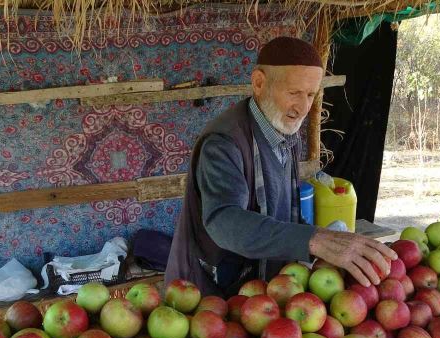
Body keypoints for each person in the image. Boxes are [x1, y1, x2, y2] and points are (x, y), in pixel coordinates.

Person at [166, 36, 396, 296]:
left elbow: (282, 207)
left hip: (263, 295)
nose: (303, 107)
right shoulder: (223, 142)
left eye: (310, 94)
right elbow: (224, 220)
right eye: (294, 93)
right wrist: (313, 239)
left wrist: (319, 241)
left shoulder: (283, 129)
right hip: (207, 296)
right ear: (259, 83)